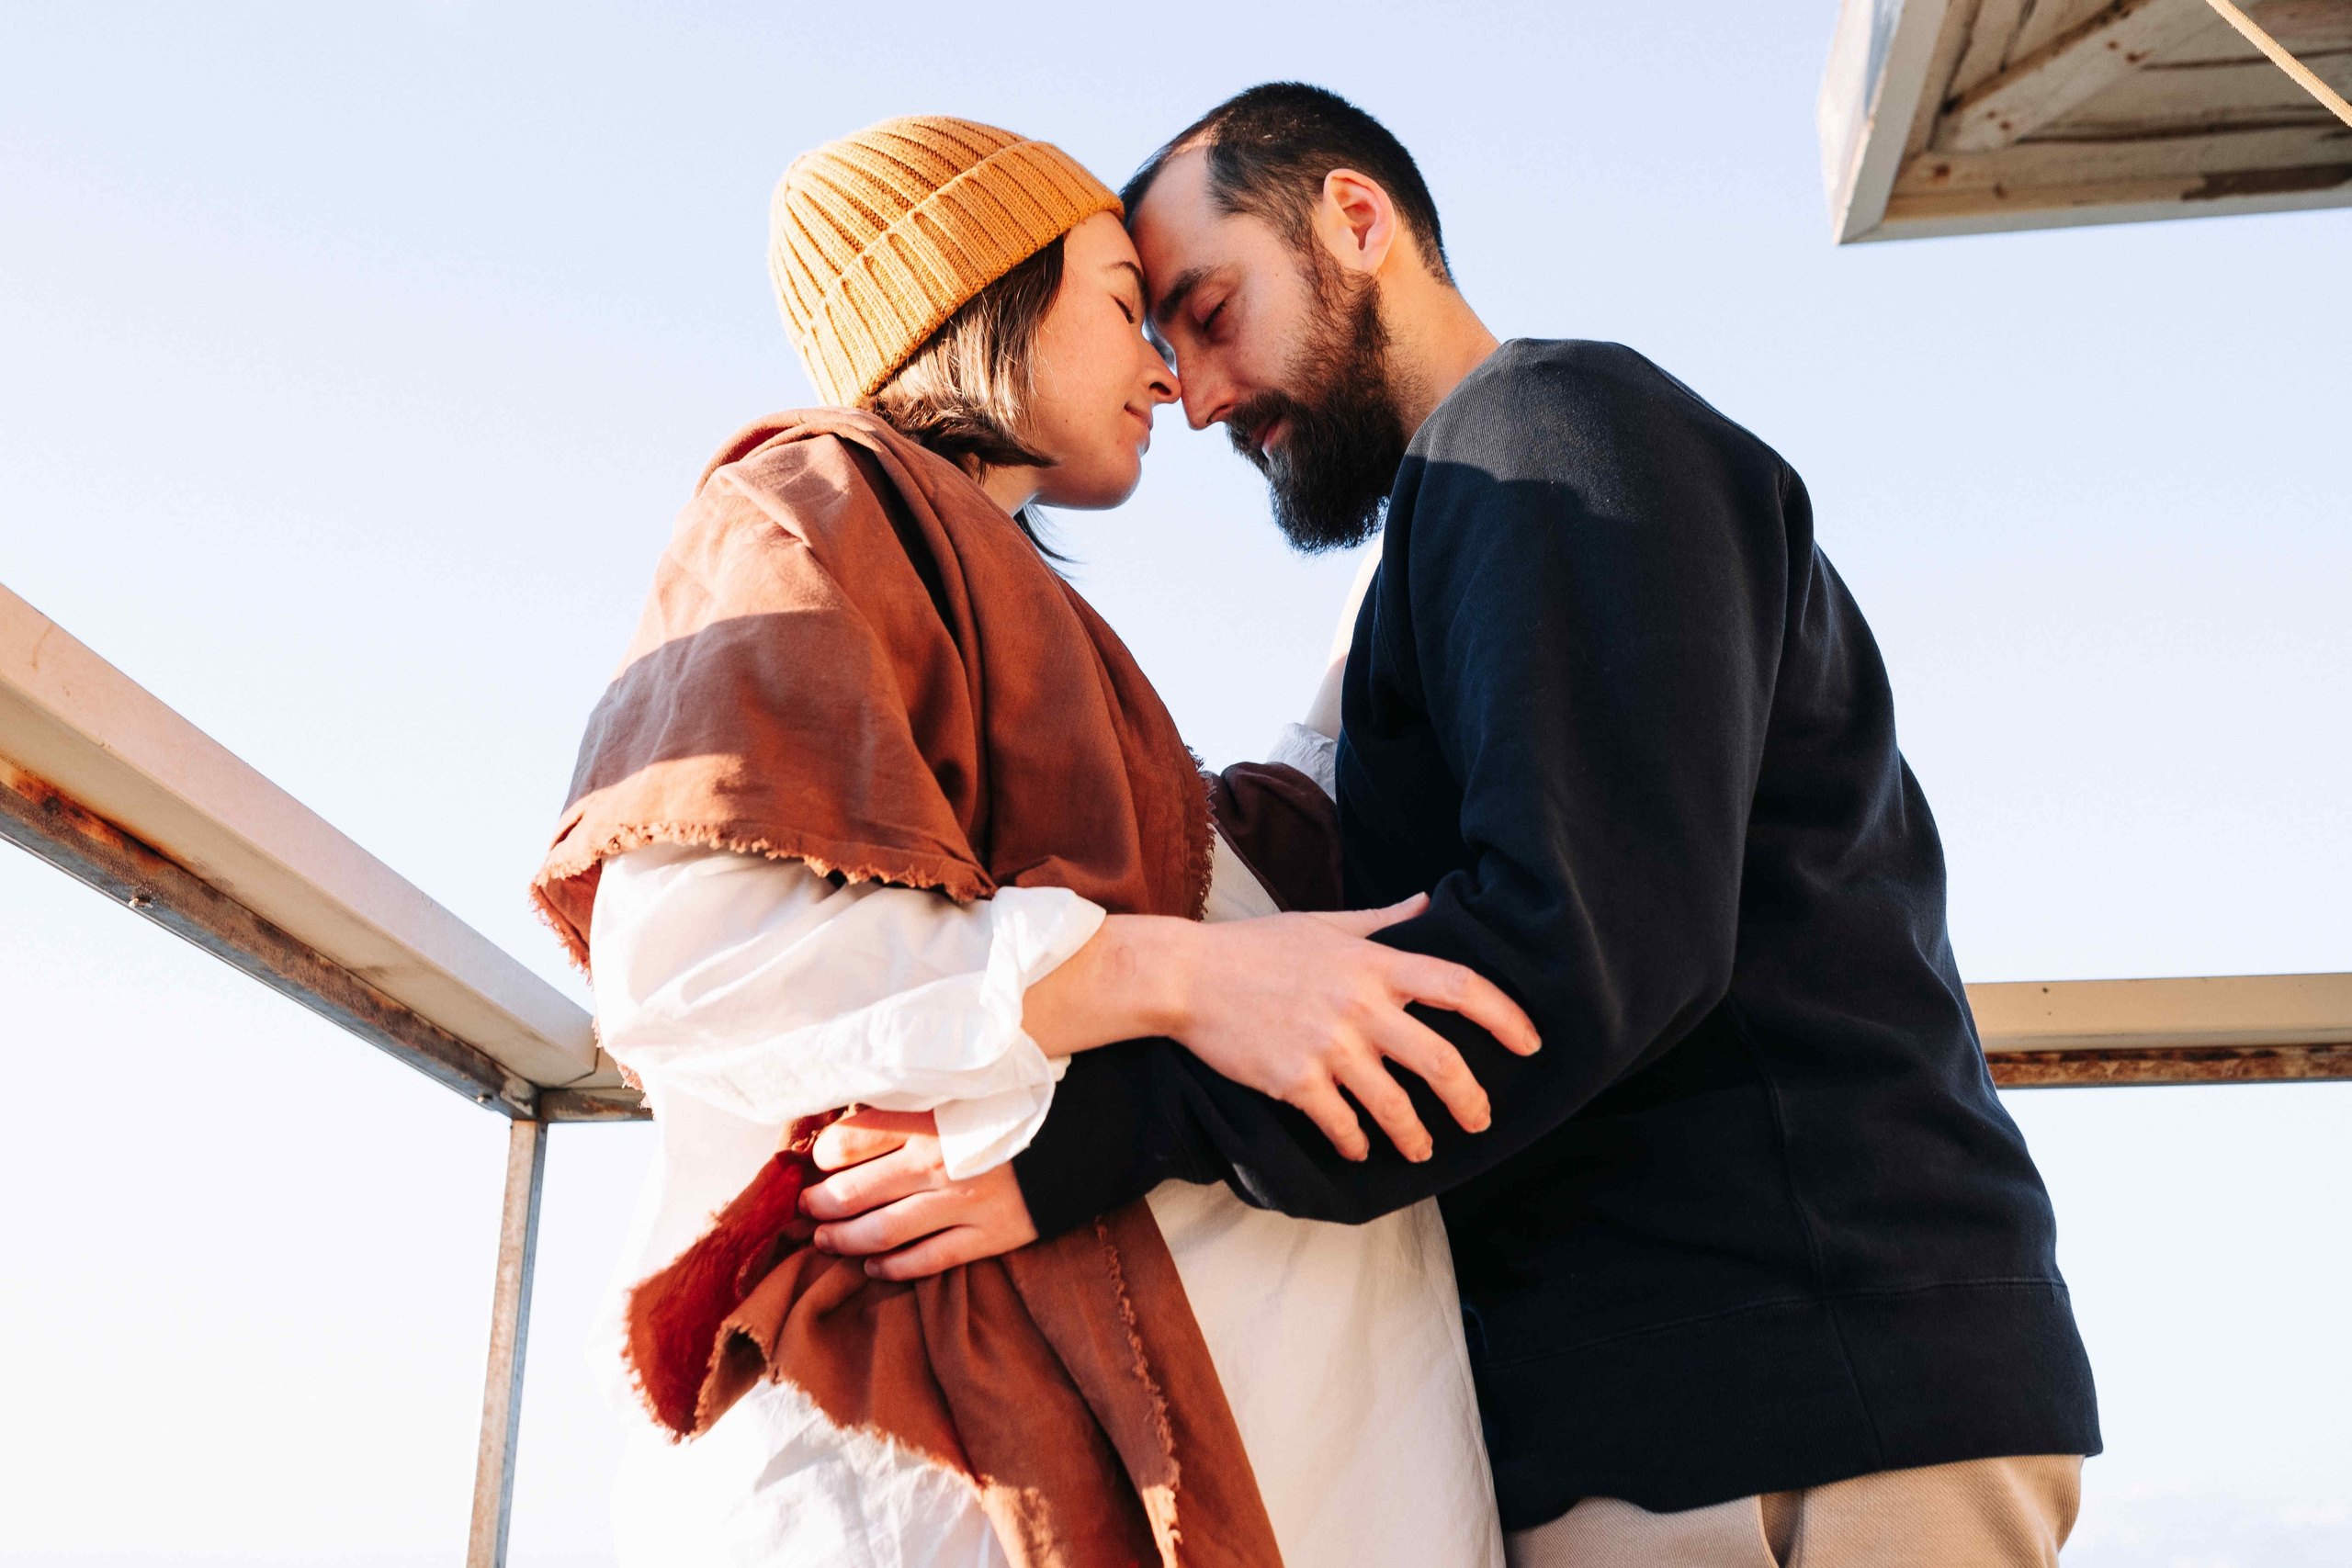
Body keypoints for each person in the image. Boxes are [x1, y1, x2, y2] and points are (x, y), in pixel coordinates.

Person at [805, 86, 2104, 1567]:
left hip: (1791, 1396)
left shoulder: (1554, 434)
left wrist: (1078, 1144)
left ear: (1357, 222)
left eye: (1211, 311)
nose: (1203, 396)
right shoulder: (1478, 508)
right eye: (1165, 346)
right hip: (1689, 1397)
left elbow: (1576, 945)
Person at [532, 116, 1528, 1568]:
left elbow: (1231, 855)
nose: (1167, 374)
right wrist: (1178, 981)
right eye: (1127, 306)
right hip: (955, 1473)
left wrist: (1434, 529)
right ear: (976, 306)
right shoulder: (812, 505)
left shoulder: (1000, 594)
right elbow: (699, 958)